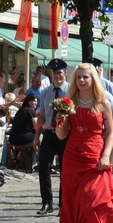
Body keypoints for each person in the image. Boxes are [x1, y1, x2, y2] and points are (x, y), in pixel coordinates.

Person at [56, 63, 113, 223]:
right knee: (74, 203)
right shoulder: (68, 103)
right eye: (78, 77)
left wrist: (106, 155)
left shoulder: (103, 102)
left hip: (96, 157)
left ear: (93, 79)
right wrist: (59, 120)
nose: (82, 80)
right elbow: (61, 136)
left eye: (86, 77)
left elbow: (110, 132)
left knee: (93, 200)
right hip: (72, 158)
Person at [34, 59, 70, 215]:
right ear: (51, 74)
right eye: (55, 73)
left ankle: (64, 205)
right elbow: (41, 115)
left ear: (65, 73)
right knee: (43, 167)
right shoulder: (45, 92)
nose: (57, 76)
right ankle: (47, 203)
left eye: (60, 73)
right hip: (49, 133)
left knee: (65, 170)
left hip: (66, 135)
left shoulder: (71, 91)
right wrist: (37, 137)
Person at [6, 92, 38, 174]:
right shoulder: (30, 111)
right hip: (25, 138)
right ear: (28, 101)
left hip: (14, 138)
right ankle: (33, 165)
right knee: (40, 139)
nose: (35, 103)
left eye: (36, 101)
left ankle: (26, 162)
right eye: (33, 101)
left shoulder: (20, 110)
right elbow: (37, 126)